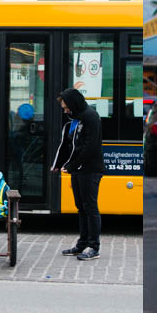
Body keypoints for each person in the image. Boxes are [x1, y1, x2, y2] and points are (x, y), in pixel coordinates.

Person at [53, 86, 104, 262]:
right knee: (81, 207)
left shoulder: (91, 117)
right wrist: (59, 164)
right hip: (78, 170)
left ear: (74, 103)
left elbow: (90, 147)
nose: (66, 111)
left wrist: (73, 165)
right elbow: (69, 144)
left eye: (67, 107)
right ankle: (82, 243)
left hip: (90, 169)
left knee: (90, 208)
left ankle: (94, 247)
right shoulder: (76, 118)